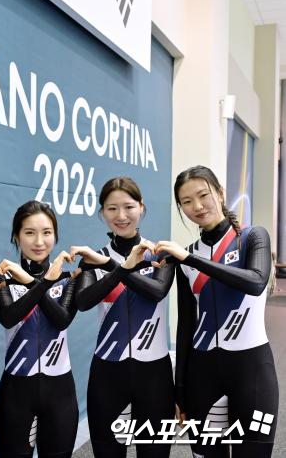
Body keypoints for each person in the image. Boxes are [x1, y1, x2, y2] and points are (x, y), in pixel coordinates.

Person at [155, 165, 278, 458]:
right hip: (202, 375)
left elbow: (256, 282)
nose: (197, 206)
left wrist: (190, 259)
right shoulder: (186, 256)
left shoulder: (252, 237)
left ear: (220, 193)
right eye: (186, 201)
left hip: (252, 372)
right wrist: (180, 389)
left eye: (203, 195)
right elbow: (186, 325)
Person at [74, 177, 175, 458]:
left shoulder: (161, 253)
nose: (121, 216)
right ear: (102, 213)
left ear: (141, 207)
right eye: (112, 208)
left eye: (129, 207)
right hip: (108, 373)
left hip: (154, 374)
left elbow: (157, 291)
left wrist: (112, 266)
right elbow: (83, 301)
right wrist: (117, 266)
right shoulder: (92, 259)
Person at [0, 200, 79, 458]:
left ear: (55, 236)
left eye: (46, 233)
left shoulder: (68, 279)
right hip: (16, 394)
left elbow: (61, 320)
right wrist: (38, 284)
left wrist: (34, 282)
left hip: (60, 393)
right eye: (30, 233)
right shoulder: (3, 279)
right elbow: (8, 318)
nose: (39, 241)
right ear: (16, 236)